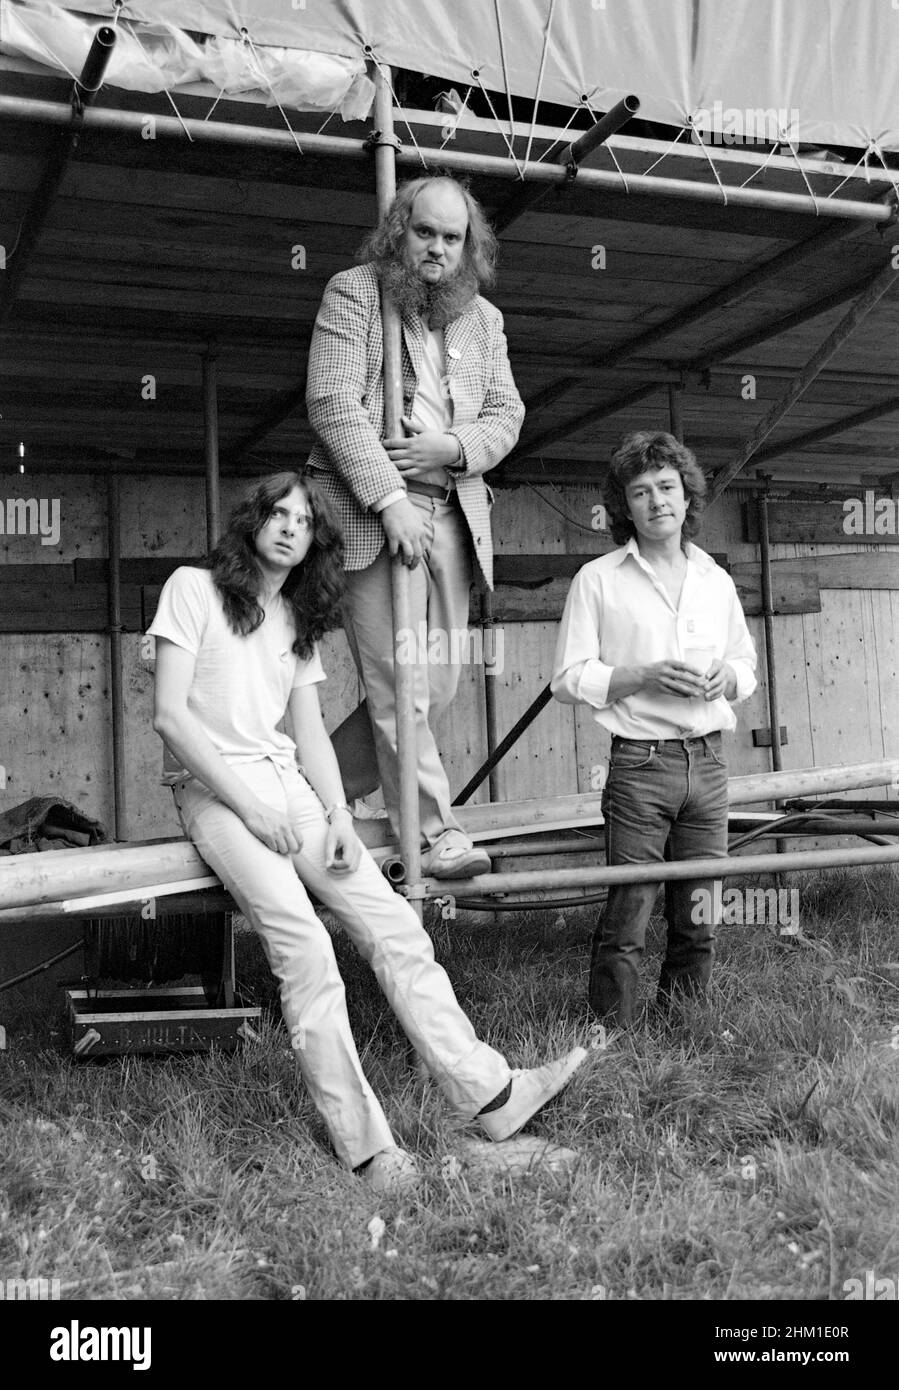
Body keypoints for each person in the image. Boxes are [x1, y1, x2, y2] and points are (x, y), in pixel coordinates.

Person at [148, 471, 585, 1191]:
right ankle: (369, 1149)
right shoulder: (192, 590)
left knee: (392, 924)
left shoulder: (291, 617)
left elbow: (310, 735)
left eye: (303, 520)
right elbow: (170, 717)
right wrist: (248, 808)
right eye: (277, 513)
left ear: (315, 543)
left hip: (289, 789)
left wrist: (339, 816)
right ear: (252, 522)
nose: (289, 526)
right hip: (214, 794)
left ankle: (492, 1094)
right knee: (305, 945)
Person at [305, 174, 524, 879]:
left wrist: (453, 449)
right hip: (375, 516)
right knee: (400, 678)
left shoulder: (483, 320)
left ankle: (308, 790)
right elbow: (332, 402)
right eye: (423, 231)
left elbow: (506, 415)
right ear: (398, 230)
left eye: (450, 237)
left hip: (453, 511)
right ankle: (434, 833)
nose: (436, 247)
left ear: (469, 248)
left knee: (439, 684)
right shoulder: (352, 291)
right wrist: (387, 500)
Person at [551, 432, 758, 1026]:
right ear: (625, 507)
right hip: (641, 763)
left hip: (709, 761)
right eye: (640, 492)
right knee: (629, 913)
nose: (656, 501)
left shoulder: (714, 578)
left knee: (700, 911)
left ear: (687, 496)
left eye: (667, 487)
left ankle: (683, 1026)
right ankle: (611, 1036)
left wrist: (727, 678)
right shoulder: (599, 579)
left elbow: (747, 664)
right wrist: (638, 676)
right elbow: (567, 678)